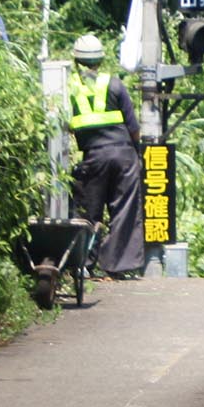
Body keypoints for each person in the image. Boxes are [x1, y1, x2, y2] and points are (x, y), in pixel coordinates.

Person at [67, 33, 145, 277]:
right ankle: (118, 267)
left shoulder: (69, 87)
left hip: (93, 157)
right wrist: (137, 152)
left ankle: (84, 265)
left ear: (75, 60)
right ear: (100, 60)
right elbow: (133, 128)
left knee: (89, 211)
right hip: (123, 154)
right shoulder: (114, 84)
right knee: (125, 209)